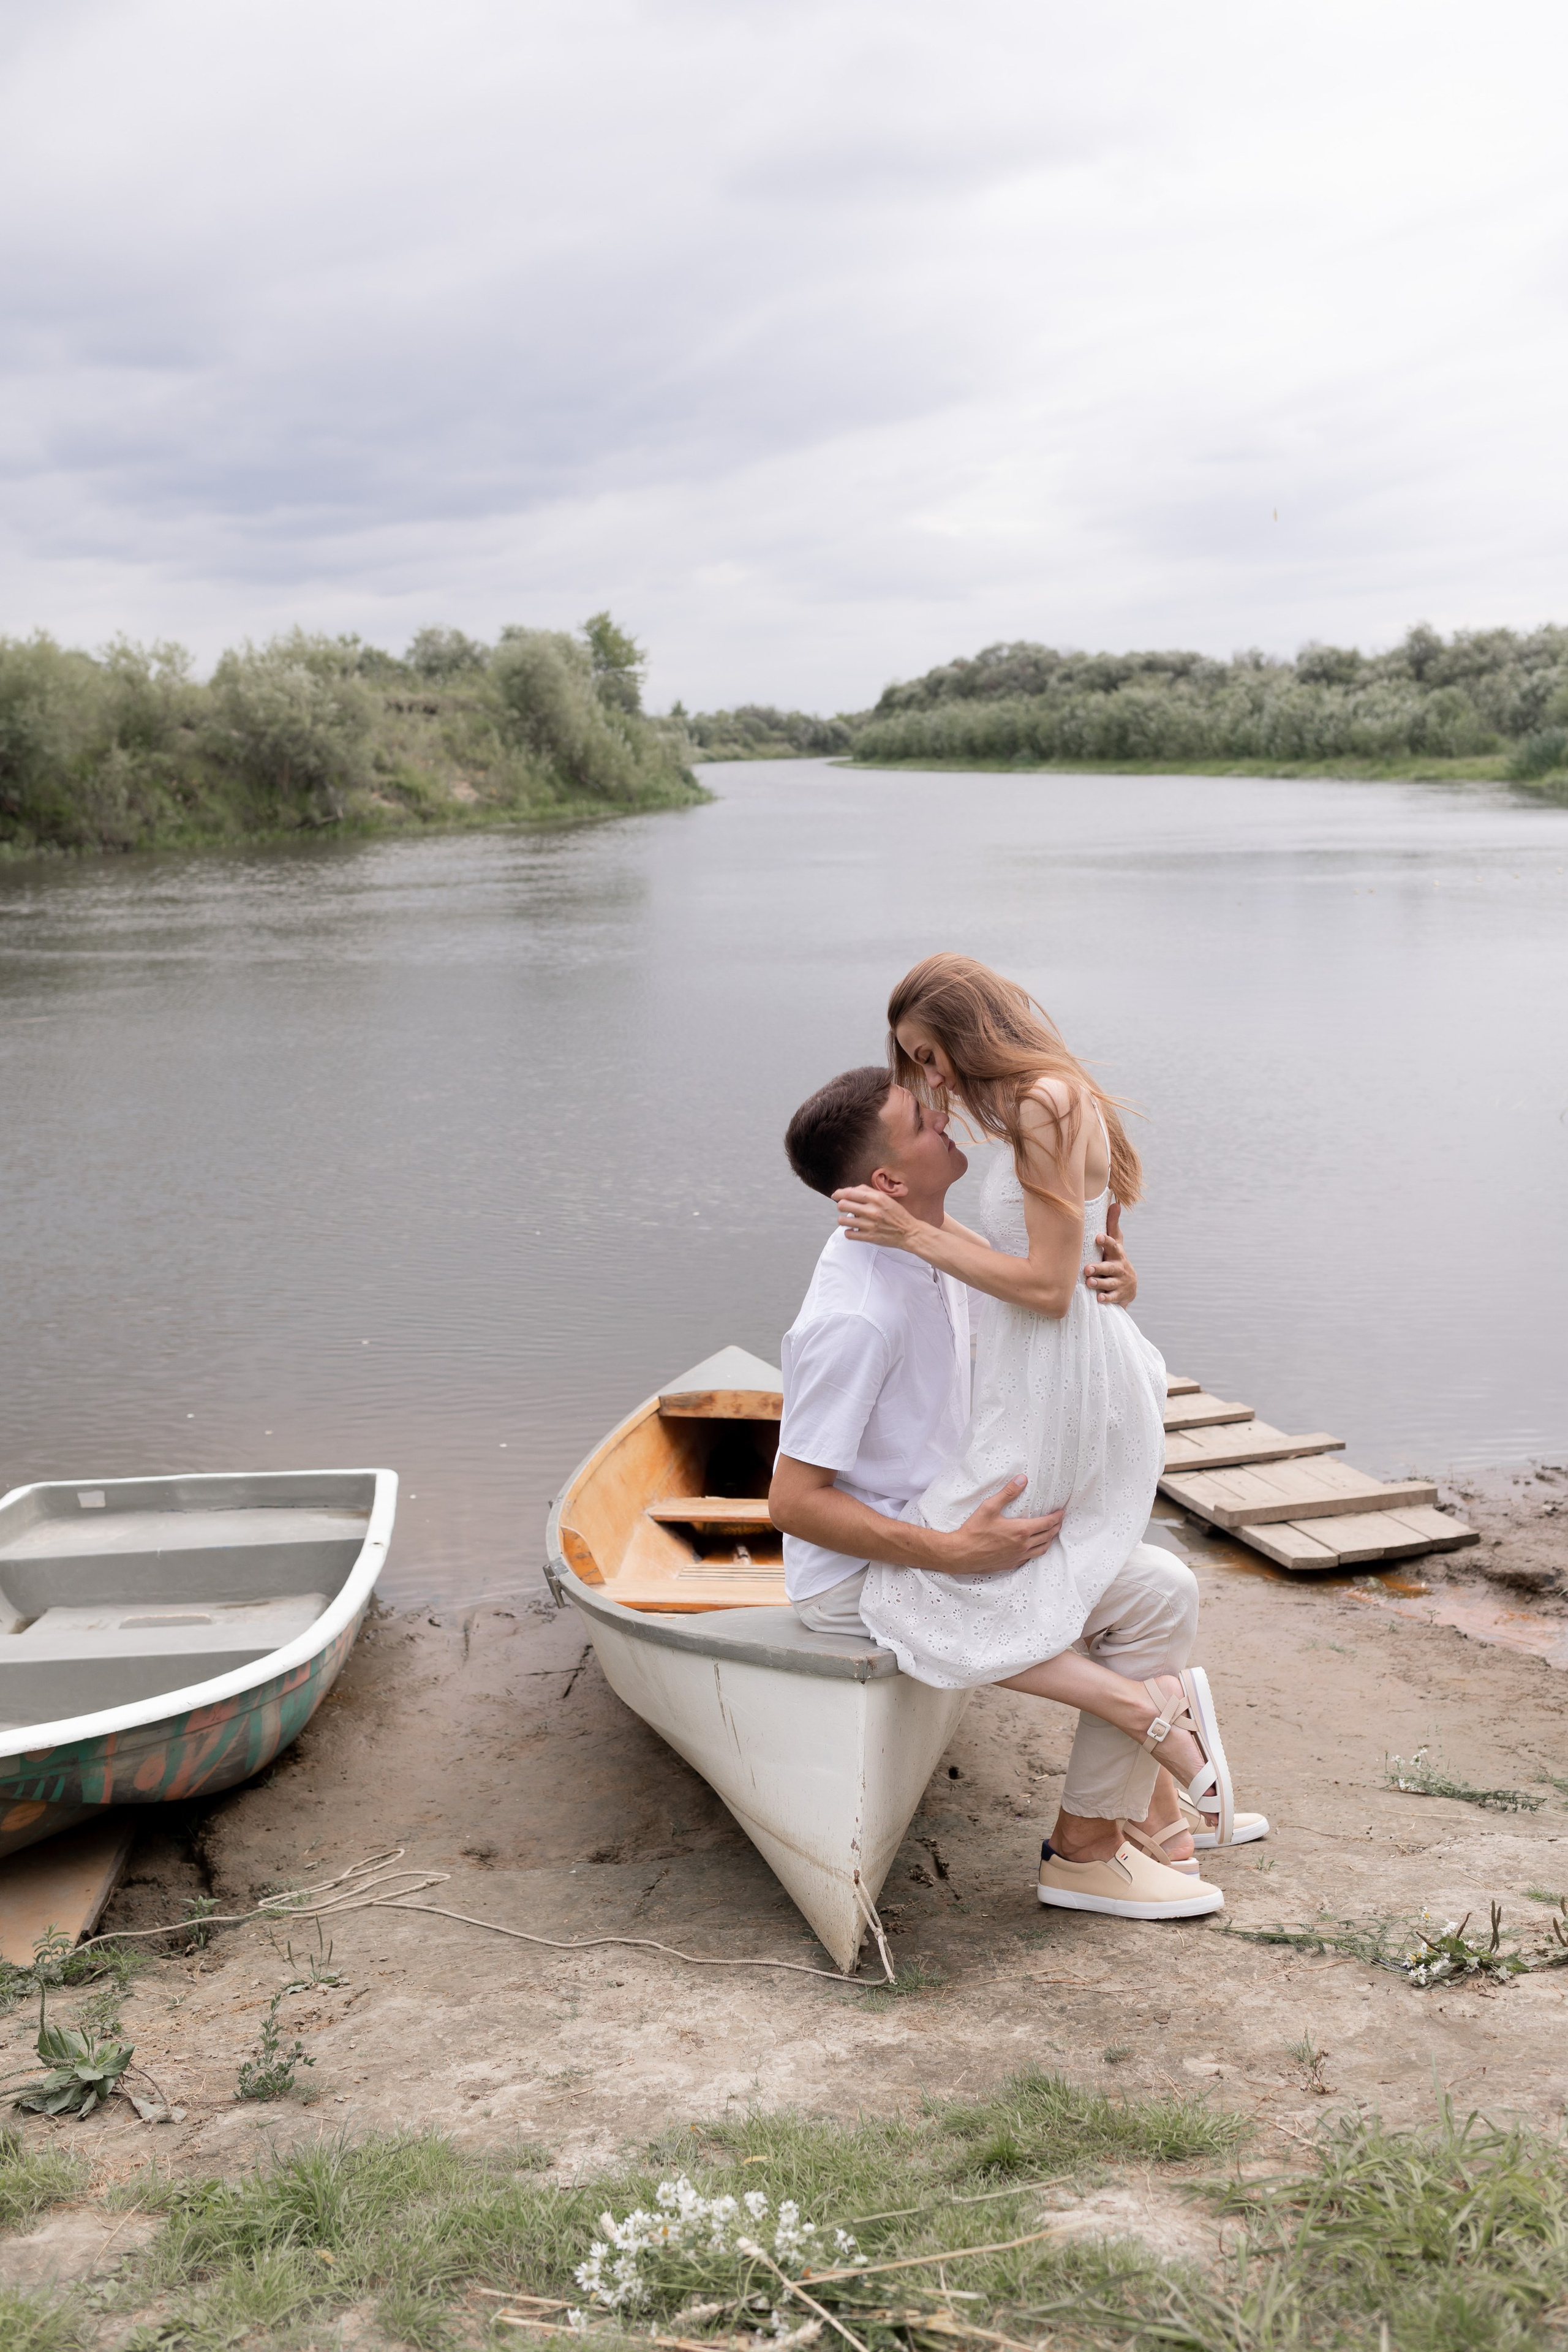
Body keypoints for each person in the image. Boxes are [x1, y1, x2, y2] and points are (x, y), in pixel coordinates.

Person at [771, 1016, 1261, 1922]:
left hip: (962, 1528)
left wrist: (1113, 1286)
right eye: (919, 1121)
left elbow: (1046, 1294)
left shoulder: (936, 1243)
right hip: (868, 1572)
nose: (940, 1116)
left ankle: (1087, 1849)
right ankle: (1147, 1718)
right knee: (1140, 1617)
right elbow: (793, 1503)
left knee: (1161, 1589)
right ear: (886, 1181)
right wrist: (948, 1552)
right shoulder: (854, 1317)